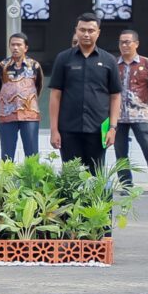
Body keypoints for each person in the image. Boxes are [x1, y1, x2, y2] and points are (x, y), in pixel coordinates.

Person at [49, 13, 120, 174]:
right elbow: (55, 95)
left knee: (95, 176)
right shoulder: (63, 58)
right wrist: (54, 130)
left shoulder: (109, 60)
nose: (86, 34)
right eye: (82, 30)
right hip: (68, 129)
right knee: (71, 177)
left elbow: (115, 96)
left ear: (98, 33)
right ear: (76, 31)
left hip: (98, 129)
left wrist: (113, 128)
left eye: (91, 30)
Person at [114, 30, 148, 196]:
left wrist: (139, 100)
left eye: (128, 42)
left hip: (140, 114)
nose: (124, 45)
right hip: (117, 115)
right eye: (121, 42)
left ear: (136, 44)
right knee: (120, 152)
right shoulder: (114, 64)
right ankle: (126, 185)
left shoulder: (147, 63)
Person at [0, 32, 43, 161]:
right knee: (7, 155)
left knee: (32, 154)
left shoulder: (35, 66)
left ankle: (32, 176)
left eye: (19, 45)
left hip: (29, 114)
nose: (15, 47)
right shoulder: (2, 66)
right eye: (13, 44)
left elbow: (39, 86)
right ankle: (7, 176)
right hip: (7, 114)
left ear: (25, 47)